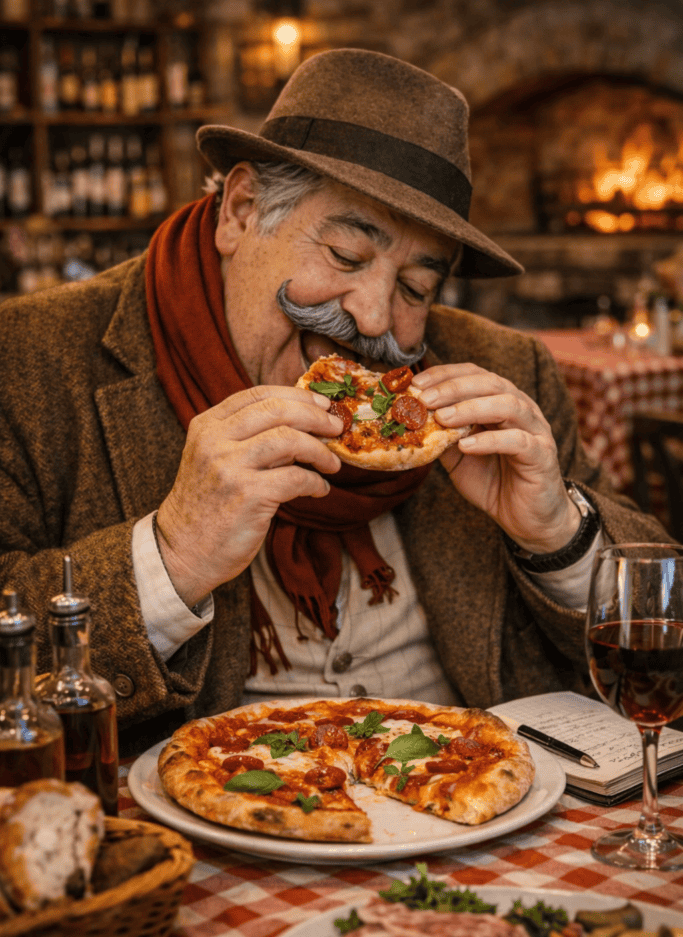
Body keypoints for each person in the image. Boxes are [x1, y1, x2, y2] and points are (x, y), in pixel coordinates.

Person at [0, 49, 668, 755]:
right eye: (347, 257)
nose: (376, 318)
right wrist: (170, 556)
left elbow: (659, 611)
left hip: (464, 798)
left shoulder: (505, 370)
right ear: (241, 210)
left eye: (415, 287)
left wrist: (555, 536)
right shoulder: (30, 358)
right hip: (207, 822)